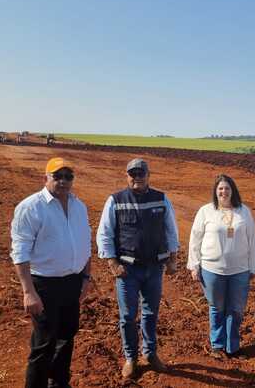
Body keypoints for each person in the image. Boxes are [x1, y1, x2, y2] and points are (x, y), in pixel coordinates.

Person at [10, 157, 92, 388]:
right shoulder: (30, 207)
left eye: (68, 176)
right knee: (44, 343)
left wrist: (86, 277)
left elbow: (85, 243)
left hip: (73, 282)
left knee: (66, 336)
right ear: (45, 178)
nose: (63, 181)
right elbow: (20, 252)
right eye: (58, 176)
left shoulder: (78, 205)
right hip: (44, 285)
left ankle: (59, 383)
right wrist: (28, 292)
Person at [96, 158, 179, 380]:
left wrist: (172, 258)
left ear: (148, 175)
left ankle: (150, 354)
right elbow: (104, 233)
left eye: (141, 173)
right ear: (127, 176)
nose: (137, 178)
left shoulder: (161, 199)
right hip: (127, 270)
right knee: (128, 316)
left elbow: (171, 229)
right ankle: (131, 358)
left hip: (154, 268)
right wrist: (112, 263)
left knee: (151, 314)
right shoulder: (116, 200)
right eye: (132, 174)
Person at [187, 174, 255, 359]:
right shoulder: (206, 211)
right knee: (217, 307)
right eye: (220, 188)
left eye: (227, 188)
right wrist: (194, 265)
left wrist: (254, 266)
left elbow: (252, 239)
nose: (223, 191)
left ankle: (233, 347)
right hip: (212, 270)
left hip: (239, 270)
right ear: (215, 191)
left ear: (233, 190)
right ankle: (217, 345)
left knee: (236, 309)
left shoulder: (243, 211)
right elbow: (195, 239)